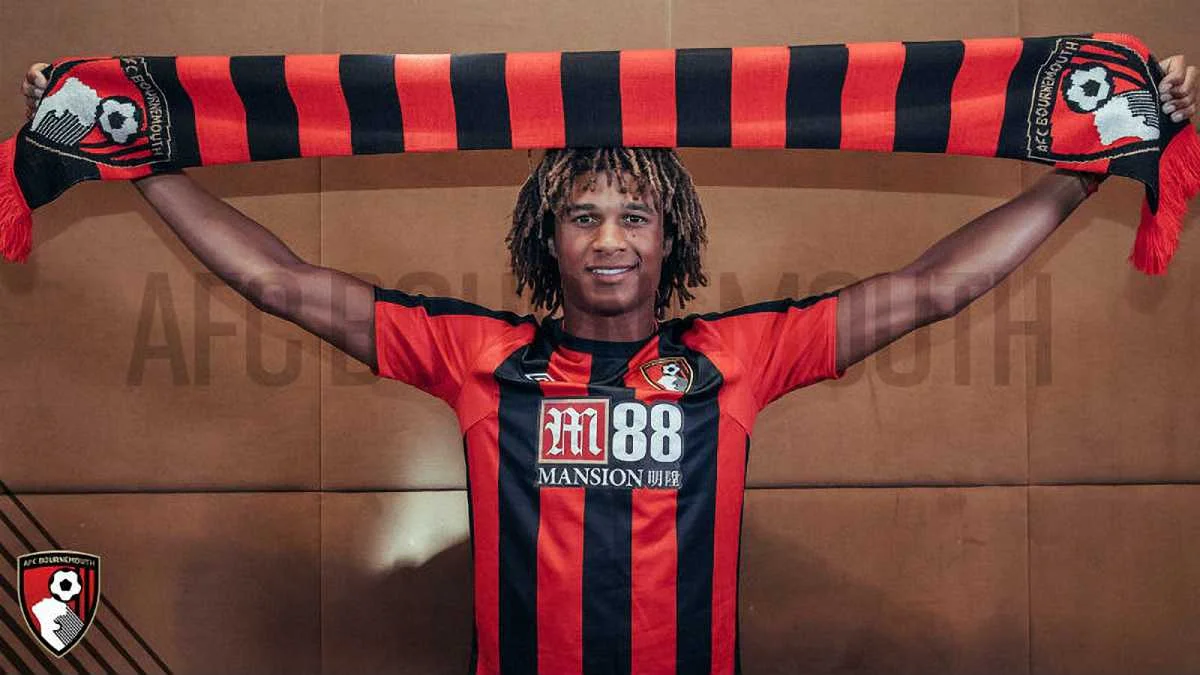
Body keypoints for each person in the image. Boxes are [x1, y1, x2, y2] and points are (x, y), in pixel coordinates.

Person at [19, 55, 1199, 675]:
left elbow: (933, 286)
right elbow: (281, 282)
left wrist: (1083, 172)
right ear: (549, 241)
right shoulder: (478, 357)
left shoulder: (739, 356)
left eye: (636, 216)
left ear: (672, 240)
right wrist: (138, 160)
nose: (610, 238)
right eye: (583, 216)